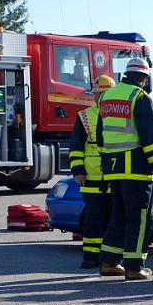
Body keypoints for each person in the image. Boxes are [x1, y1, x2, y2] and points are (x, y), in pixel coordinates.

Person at [97, 57, 153, 280]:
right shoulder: (139, 96)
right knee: (140, 217)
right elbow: (149, 135)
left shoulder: (106, 96)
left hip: (113, 168)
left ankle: (109, 262)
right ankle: (134, 267)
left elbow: (100, 136)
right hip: (136, 169)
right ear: (144, 78)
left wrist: (106, 163)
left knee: (118, 215)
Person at [69, 75, 116, 269]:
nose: (100, 97)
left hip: (114, 176)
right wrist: (78, 171)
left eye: (103, 93)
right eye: (97, 94)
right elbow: (76, 147)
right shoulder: (85, 116)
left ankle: (109, 257)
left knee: (113, 218)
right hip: (90, 177)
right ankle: (90, 257)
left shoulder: (120, 115)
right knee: (93, 219)